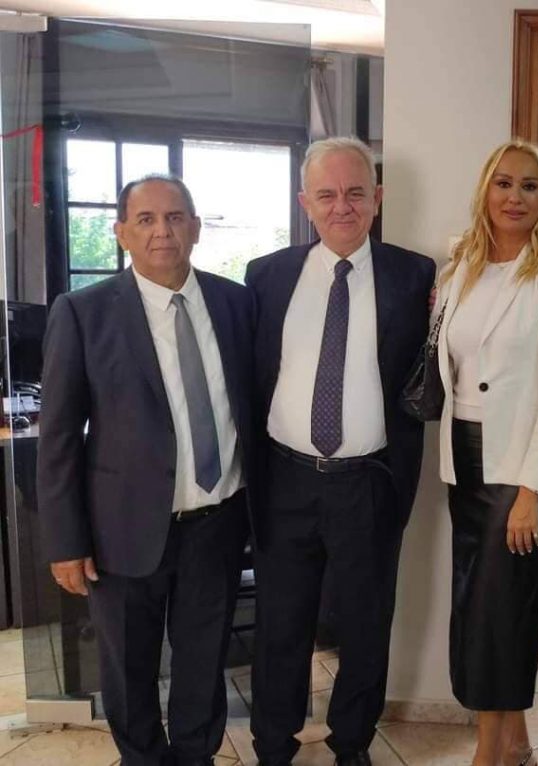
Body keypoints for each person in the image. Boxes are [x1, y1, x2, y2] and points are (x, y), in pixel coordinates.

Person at [38, 175, 255, 766]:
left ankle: (196, 756)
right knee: (130, 671)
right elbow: (58, 436)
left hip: (217, 524)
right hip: (122, 532)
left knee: (203, 663)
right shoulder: (83, 312)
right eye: (146, 219)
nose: (163, 231)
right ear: (121, 233)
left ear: (196, 228)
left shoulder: (235, 304)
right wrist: (66, 541)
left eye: (176, 217)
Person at [246, 137, 435, 766]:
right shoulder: (266, 275)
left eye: (355, 193)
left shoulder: (416, 274)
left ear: (377, 198)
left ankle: (351, 743)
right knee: (281, 624)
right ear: (305, 203)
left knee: (365, 625)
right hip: (285, 479)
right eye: (326, 195)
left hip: (369, 482)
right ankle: (273, 744)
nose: (342, 206)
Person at [435, 140, 538, 766]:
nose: (515, 197)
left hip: (521, 469)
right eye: (503, 183)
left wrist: (533, 489)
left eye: (529, 186)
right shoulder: (462, 267)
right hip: (463, 461)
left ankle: (490, 753)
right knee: (477, 605)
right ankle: (518, 741)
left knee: (502, 615)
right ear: (486, 191)